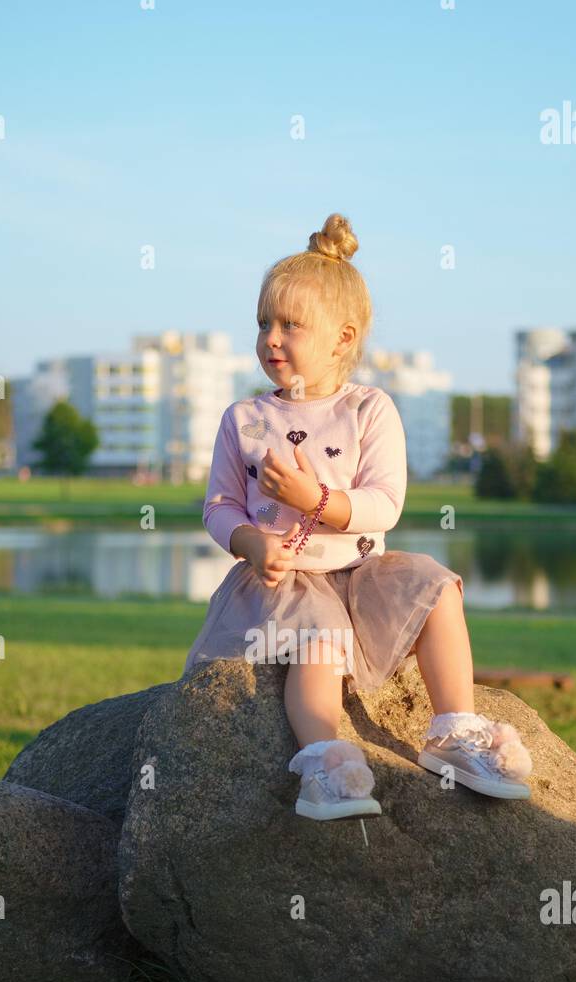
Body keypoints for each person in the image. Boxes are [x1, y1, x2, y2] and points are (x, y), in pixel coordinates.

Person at [184, 213, 532, 820]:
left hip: (362, 569)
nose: (271, 338)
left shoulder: (370, 409)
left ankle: (452, 732)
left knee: (437, 587)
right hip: (285, 578)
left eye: (291, 325)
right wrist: (250, 543)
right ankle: (327, 763)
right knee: (319, 639)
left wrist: (312, 498)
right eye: (264, 323)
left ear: (343, 338)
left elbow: (384, 502)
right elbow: (219, 505)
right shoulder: (244, 419)